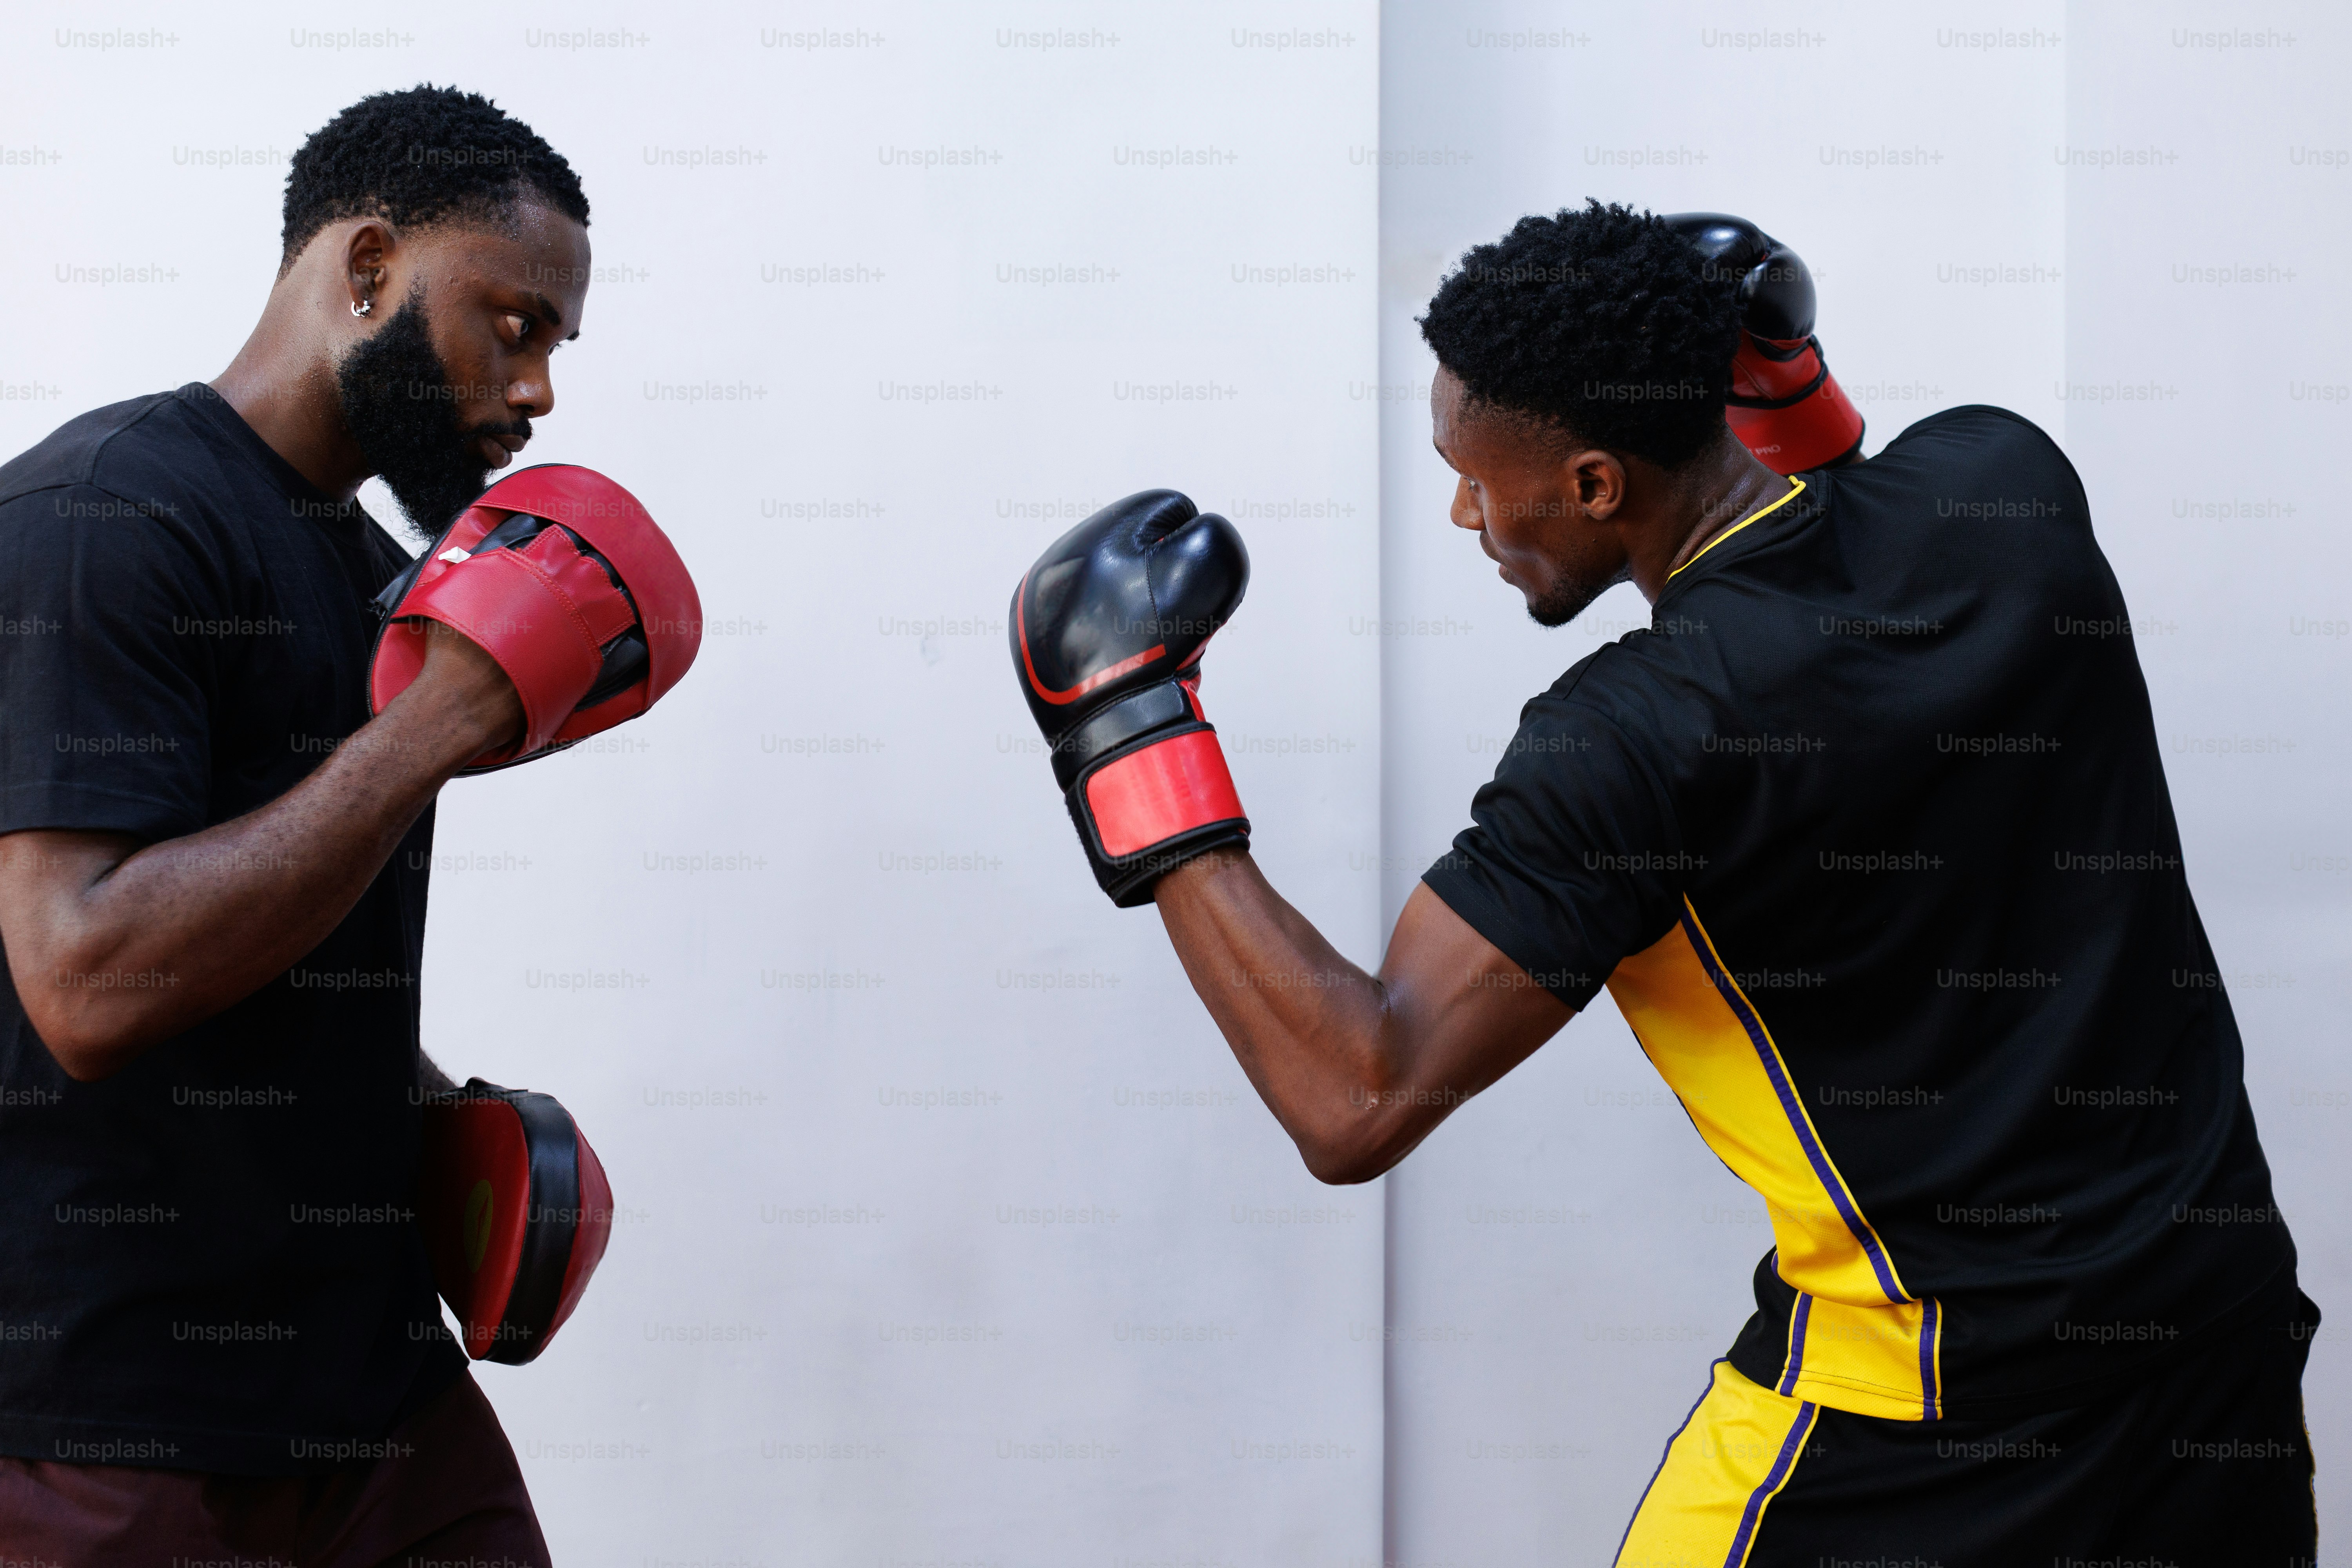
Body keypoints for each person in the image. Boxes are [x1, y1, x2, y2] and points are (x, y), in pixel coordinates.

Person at [1007, 201, 2316, 1564]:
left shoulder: (1635, 742)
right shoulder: (2009, 487)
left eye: (1476, 475)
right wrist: (1784, 381)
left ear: (1590, 485)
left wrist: (1126, 731)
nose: (1464, 511)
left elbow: (1355, 1096)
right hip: (2215, 1339)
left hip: (1919, 1417)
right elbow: (1848, 512)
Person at [0, 85, 597, 1563]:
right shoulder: (102, 517)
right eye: (512, 324)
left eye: (556, 349)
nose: (535, 393)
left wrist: (436, 1116)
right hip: (114, 1429)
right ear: (371, 265)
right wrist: (430, 733)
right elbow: (83, 978)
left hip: (378, 1397)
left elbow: (283, 943)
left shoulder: (386, 577)